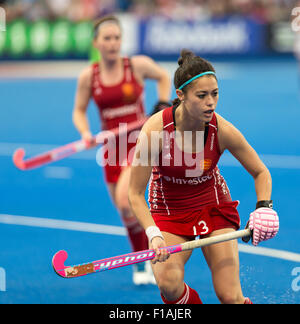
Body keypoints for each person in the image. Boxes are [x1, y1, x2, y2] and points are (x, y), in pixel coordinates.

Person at [128, 49, 279, 303]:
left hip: (212, 206)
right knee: (168, 285)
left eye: (215, 94)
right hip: (169, 211)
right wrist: (153, 233)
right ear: (181, 96)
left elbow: (260, 171)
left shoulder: (222, 129)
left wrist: (264, 206)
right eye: (202, 95)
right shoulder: (154, 130)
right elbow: (134, 193)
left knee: (230, 297)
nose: (211, 102)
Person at [72, 15, 172, 285]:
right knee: (125, 211)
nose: (113, 43)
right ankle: (143, 260)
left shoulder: (136, 65)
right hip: (110, 148)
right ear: (96, 43)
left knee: (127, 200)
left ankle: (149, 259)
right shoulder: (89, 76)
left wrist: (162, 103)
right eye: (107, 38)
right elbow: (79, 111)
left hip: (139, 144)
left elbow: (163, 76)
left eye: (117, 37)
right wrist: (85, 133)